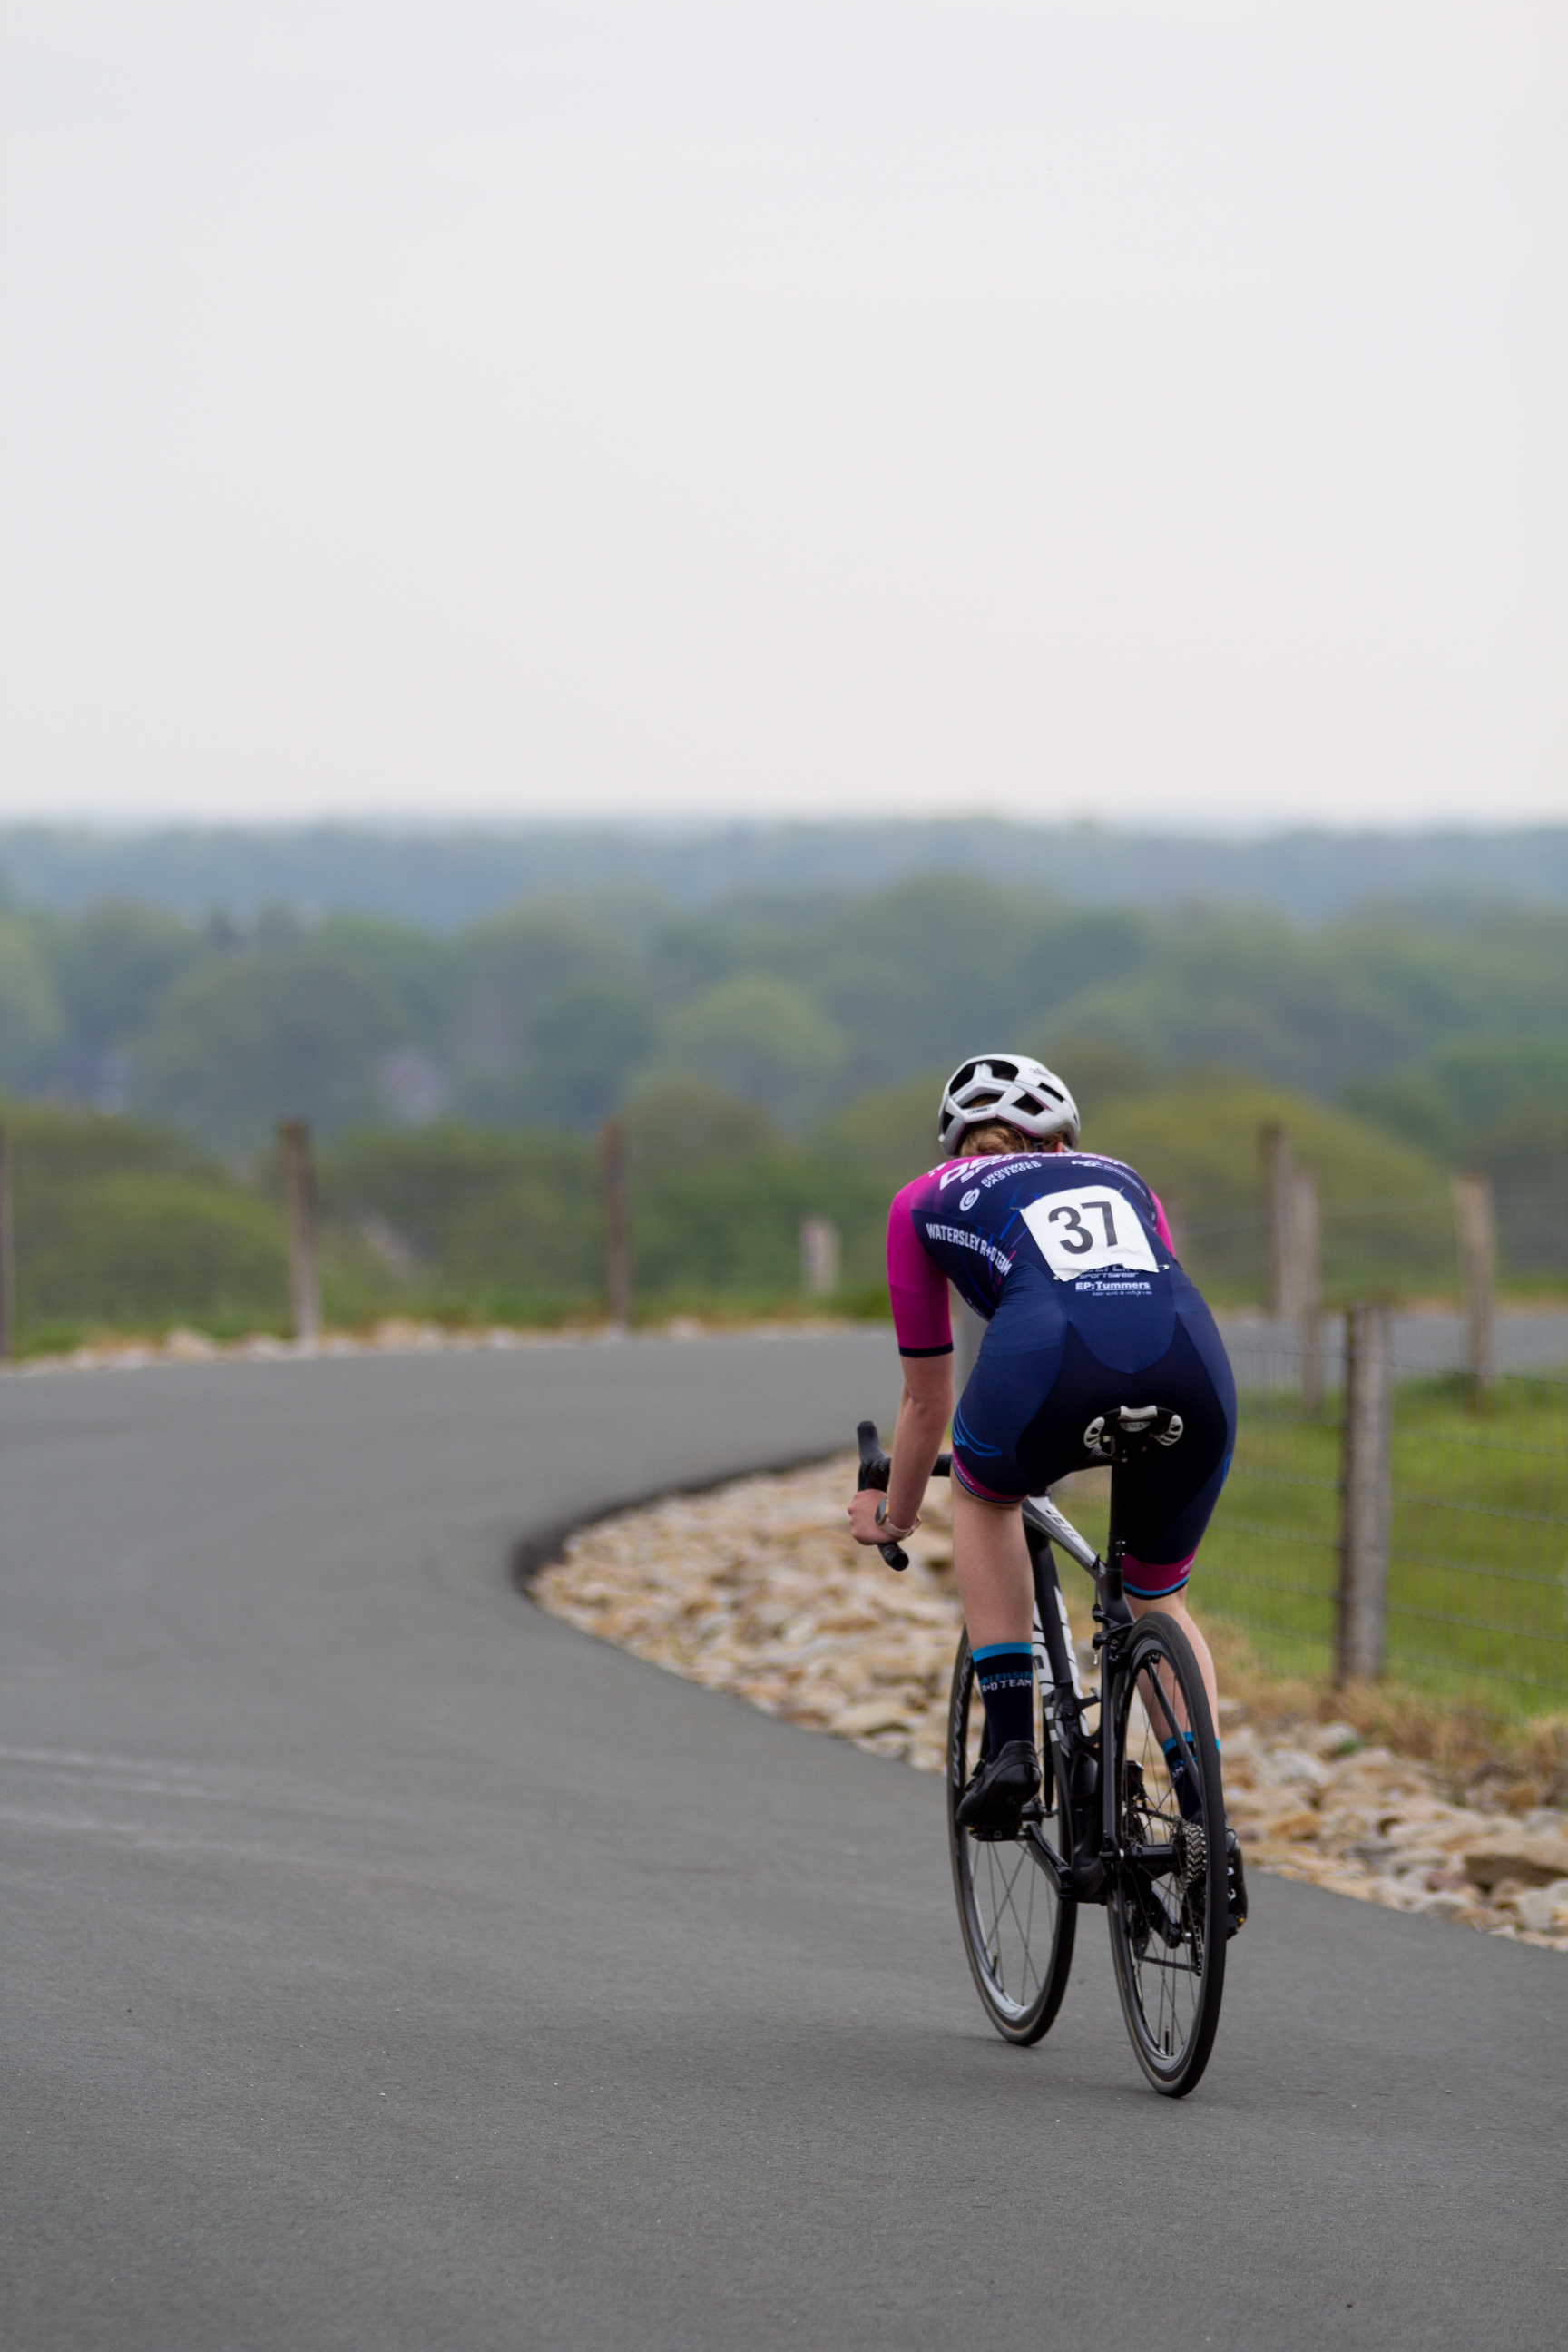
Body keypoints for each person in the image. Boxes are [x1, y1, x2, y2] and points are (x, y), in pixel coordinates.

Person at [846, 1051, 1246, 1928]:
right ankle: (1205, 1817)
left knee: (985, 1495)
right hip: (1194, 1364)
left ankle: (1013, 1744)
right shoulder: (1123, 1176)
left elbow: (925, 1400)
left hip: (1046, 1360)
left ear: (954, 1145)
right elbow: (1135, 1300)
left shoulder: (924, 1198)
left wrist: (896, 1511)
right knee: (1155, 1595)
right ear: (1064, 1139)